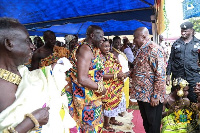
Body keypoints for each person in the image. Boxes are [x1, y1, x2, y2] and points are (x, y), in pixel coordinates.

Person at [0, 17, 76, 133]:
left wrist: (52, 70)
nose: (32, 46)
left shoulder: (21, 70)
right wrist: (31, 121)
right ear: (9, 44)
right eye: (27, 41)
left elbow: (35, 75)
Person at [65, 25, 106, 133]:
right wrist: (100, 88)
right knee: (87, 125)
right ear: (92, 35)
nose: (103, 39)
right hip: (84, 96)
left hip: (91, 93)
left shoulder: (92, 48)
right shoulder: (85, 50)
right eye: (101, 36)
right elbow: (82, 79)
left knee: (92, 124)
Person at [131, 27, 166, 133]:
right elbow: (141, 68)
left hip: (151, 96)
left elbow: (160, 75)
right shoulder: (141, 49)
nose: (134, 40)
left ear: (143, 36)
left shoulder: (154, 49)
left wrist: (156, 96)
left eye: (135, 38)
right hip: (142, 95)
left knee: (153, 125)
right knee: (146, 122)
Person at [166, 21, 200, 103]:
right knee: (177, 100)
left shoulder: (198, 43)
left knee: (194, 99)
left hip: (193, 77)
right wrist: (167, 75)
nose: (183, 33)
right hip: (178, 76)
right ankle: (178, 115)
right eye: (182, 31)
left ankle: (193, 115)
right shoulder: (176, 43)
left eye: (185, 31)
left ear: (191, 31)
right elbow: (171, 60)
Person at [99, 38, 127, 132]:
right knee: (108, 98)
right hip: (104, 84)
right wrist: (116, 75)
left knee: (120, 97)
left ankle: (113, 119)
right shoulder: (98, 58)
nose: (107, 48)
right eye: (105, 46)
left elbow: (118, 66)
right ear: (100, 46)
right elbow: (100, 74)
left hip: (115, 82)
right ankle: (106, 124)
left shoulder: (111, 56)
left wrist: (121, 74)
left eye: (108, 46)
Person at [112, 36, 130, 114]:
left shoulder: (120, 52)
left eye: (119, 42)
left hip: (126, 76)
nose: (118, 44)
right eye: (116, 42)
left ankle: (123, 110)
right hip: (120, 77)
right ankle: (119, 112)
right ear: (113, 43)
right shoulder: (113, 53)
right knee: (119, 96)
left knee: (125, 94)